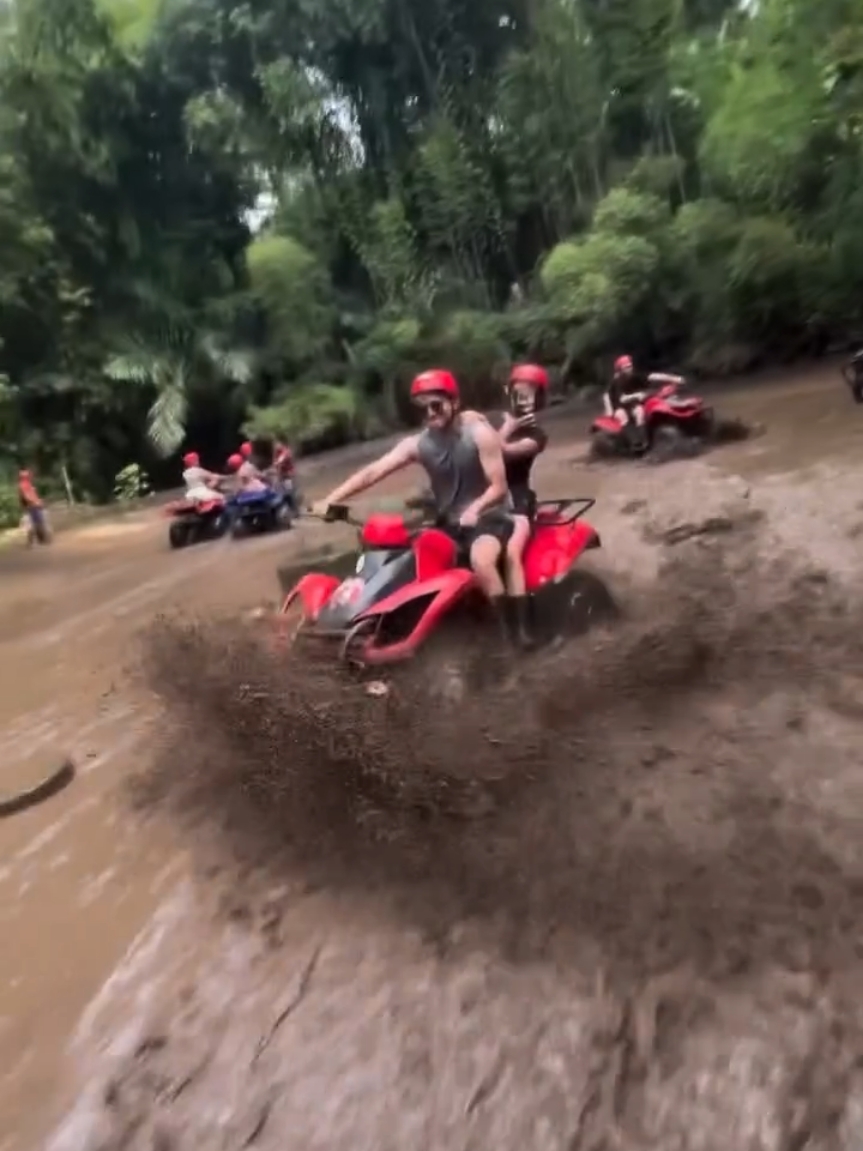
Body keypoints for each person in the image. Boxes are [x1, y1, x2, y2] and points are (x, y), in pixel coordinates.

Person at [312, 368, 515, 637]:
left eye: (436, 405)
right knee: (409, 557)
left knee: (481, 561)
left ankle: (509, 632)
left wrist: (475, 509)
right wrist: (330, 500)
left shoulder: (479, 434)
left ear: (454, 402)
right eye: (422, 409)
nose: (430, 413)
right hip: (450, 523)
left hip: (490, 517)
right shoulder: (419, 444)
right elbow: (373, 472)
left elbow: (499, 487)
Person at [491, 364, 550, 647]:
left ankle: (521, 630)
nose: (525, 399)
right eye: (519, 393)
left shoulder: (537, 435)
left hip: (517, 498)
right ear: (508, 392)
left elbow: (501, 451)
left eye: (531, 394)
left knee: (512, 551)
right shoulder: (490, 421)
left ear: (539, 398)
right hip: (486, 496)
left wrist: (508, 427)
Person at [606, 355, 685, 451]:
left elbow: (653, 376)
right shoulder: (617, 381)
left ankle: (644, 442)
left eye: (630, 366)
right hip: (619, 405)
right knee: (623, 416)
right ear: (620, 369)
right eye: (626, 367)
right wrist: (636, 395)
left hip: (632, 403)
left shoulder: (634, 376)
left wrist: (674, 379)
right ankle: (634, 444)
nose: (630, 368)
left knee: (640, 411)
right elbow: (621, 399)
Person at [17, 469, 49, 546]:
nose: (30, 477)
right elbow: (26, 496)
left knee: (38, 521)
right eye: (27, 476)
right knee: (33, 523)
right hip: (31, 506)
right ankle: (34, 540)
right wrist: (36, 502)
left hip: (33, 505)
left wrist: (38, 501)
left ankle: (41, 539)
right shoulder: (23, 485)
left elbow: (33, 495)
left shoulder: (29, 484)